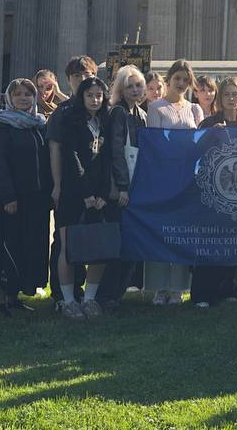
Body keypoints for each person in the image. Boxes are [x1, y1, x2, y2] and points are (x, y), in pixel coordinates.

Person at [0, 78, 53, 315]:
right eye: (18, 94)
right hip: (12, 198)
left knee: (27, 245)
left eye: (28, 94)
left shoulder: (39, 125)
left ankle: (15, 295)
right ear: (9, 98)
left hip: (36, 199)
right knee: (7, 244)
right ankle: (0, 298)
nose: (24, 98)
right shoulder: (0, 126)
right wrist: (8, 196)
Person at [194, 76, 237, 307]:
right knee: (212, 241)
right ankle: (204, 294)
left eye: (235, 94)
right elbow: (195, 154)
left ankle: (232, 291)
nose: (231, 98)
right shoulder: (209, 123)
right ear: (220, 99)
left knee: (236, 242)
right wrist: (210, 134)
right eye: (227, 94)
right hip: (213, 195)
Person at [51, 76, 114, 319]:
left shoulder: (106, 121)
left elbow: (107, 159)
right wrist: (86, 193)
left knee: (99, 248)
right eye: (90, 95)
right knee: (68, 249)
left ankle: (89, 299)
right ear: (82, 97)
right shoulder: (70, 121)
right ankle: (68, 301)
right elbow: (71, 156)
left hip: (99, 195)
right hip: (73, 192)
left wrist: (101, 194)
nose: (95, 99)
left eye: (99, 95)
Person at [145, 59, 205, 305]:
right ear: (169, 79)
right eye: (177, 78)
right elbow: (155, 145)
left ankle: (179, 288)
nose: (180, 84)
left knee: (182, 231)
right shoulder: (156, 108)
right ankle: (160, 288)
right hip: (163, 177)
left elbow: (199, 143)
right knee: (161, 230)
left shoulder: (195, 110)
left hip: (188, 177)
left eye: (185, 80)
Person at [45, 56, 98, 305]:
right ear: (69, 80)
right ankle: (61, 294)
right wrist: (56, 185)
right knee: (64, 241)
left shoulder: (98, 109)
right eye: (77, 76)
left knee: (89, 237)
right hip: (68, 184)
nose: (82, 80)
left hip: (92, 184)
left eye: (86, 75)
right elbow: (55, 149)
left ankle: (81, 290)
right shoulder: (62, 112)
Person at [101, 65, 149, 307]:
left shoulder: (141, 113)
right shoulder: (118, 113)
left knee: (131, 241)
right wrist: (122, 186)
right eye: (129, 86)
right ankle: (107, 293)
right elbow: (116, 151)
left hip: (135, 187)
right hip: (120, 188)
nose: (134, 89)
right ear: (120, 89)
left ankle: (117, 292)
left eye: (138, 85)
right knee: (117, 242)